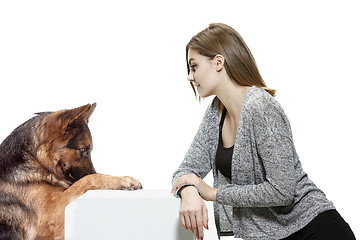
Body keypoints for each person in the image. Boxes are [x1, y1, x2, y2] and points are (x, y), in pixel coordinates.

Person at [171, 23, 356, 240]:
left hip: (313, 229)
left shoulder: (261, 107)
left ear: (218, 62)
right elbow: (185, 171)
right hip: (270, 235)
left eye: (194, 67)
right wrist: (190, 191)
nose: (189, 77)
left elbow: (282, 191)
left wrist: (213, 193)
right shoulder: (216, 112)